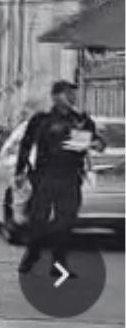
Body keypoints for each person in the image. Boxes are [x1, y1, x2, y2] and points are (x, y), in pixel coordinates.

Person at [16, 80, 104, 275]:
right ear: (55, 97)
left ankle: (58, 263)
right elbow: (26, 145)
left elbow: (96, 141)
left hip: (70, 176)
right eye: (67, 93)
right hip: (45, 176)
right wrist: (19, 171)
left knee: (66, 221)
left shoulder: (80, 120)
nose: (72, 97)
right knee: (38, 219)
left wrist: (97, 144)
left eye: (74, 94)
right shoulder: (42, 120)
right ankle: (33, 253)